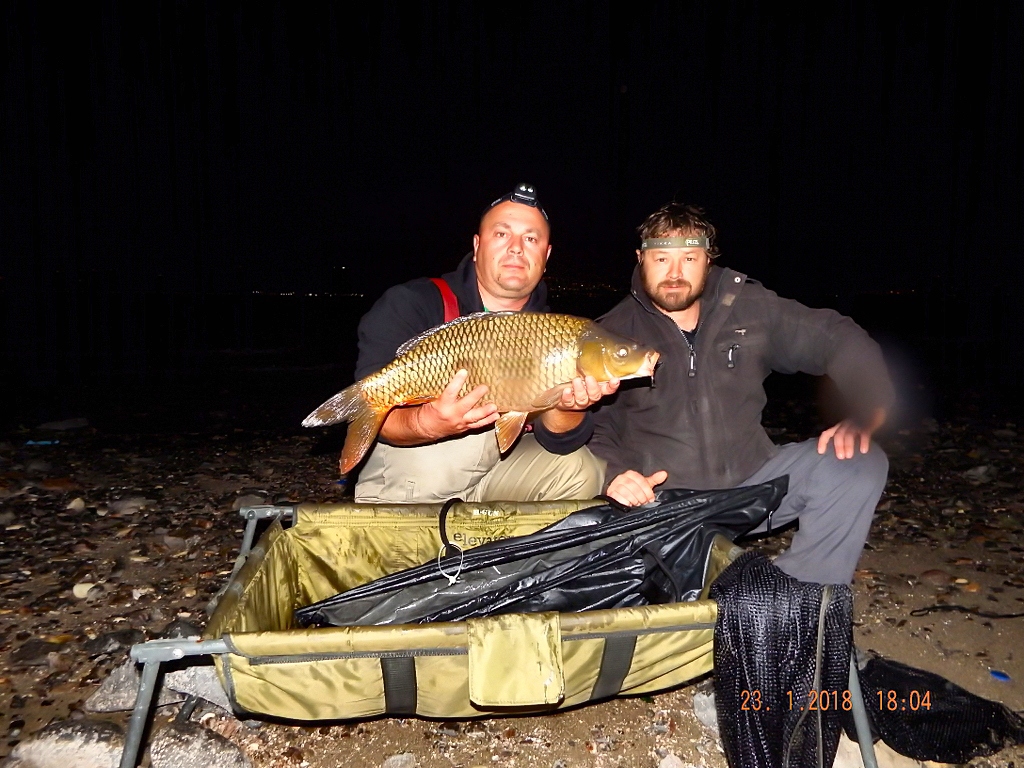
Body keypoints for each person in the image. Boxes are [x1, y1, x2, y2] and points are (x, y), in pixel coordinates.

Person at [590, 203, 895, 584]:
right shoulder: (610, 336)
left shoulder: (750, 308)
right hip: (667, 504)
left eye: (689, 257)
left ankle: (799, 596)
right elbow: (593, 425)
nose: (674, 273)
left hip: (754, 484)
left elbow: (837, 337)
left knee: (857, 461)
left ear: (708, 261)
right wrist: (616, 474)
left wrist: (868, 410)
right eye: (660, 258)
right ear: (640, 259)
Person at [352, 183, 613, 503]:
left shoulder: (554, 331)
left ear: (546, 255)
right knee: (445, 455)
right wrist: (428, 422)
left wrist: (569, 406)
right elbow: (381, 413)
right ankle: (404, 543)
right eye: (502, 234)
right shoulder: (413, 303)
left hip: (494, 473)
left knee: (584, 471)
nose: (517, 248)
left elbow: (558, 442)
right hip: (417, 472)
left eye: (531, 238)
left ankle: (508, 551)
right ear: (477, 246)